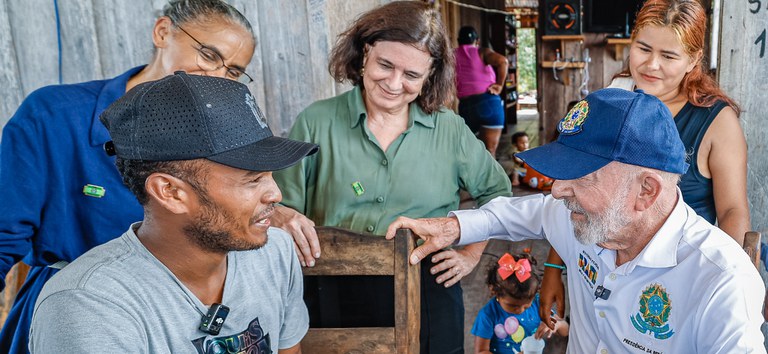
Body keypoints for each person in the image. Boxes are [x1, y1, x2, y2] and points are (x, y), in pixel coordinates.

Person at [387, 88, 766, 353]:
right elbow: (520, 212)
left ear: (646, 191)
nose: (557, 190)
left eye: (582, 177)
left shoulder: (720, 282)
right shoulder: (592, 220)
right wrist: (453, 227)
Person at [0, 1, 256, 352]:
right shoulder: (53, 115)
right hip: (73, 313)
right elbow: (3, 237)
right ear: (163, 32)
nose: (217, 77)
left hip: (178, 316)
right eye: (210, 55)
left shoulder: (223, 136)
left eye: (234, 72)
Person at [271, 2, 512, 353]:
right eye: (385, 64)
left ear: (430, 74)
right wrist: (281, 214)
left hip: (427, 286)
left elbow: (497, 194)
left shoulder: (449, 130)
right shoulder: (316, 122)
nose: (394, 84)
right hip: (332, 287)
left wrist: (471, 254)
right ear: (366, 52)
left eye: (412, 75)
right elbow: (278, 205)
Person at [29, 72, 318, 353]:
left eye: (270, 175)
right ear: (170, 192)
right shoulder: (86, 306)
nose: (275, 194)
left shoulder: (274, 251)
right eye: (252, 179)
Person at [539, 0, 752, 329]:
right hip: (600, 268)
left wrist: (718, 287)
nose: (652, 65)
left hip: (672, 284)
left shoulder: (717, 122)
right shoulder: (614, 97)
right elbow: (576, 191)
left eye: (669, 56)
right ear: (632, 41)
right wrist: (555, 267)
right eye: (643, 48)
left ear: (693, 60)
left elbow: (732, 212)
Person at [471, 253, 567, 354]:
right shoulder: (488, 315)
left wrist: (557, 325)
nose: (520, 310)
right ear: (495, 292)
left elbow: (566, 330)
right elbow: (481, 351)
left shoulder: (538, 304)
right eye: (513, 306)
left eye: (526, 306)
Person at [455, 26, 509, 157]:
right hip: (488, 102)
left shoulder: (451, 55)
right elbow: (503, 61)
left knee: (468, 155)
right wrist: (499, 85)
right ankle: (490, 178)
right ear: (477, 41)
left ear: (458, 41)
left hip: (466, 106)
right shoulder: (482, 52)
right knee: (489, 154)